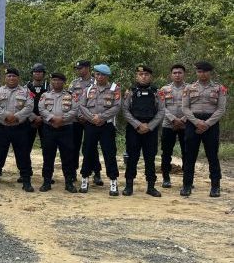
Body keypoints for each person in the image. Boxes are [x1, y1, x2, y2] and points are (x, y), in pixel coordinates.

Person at [180, 61, 227, 198]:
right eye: (199, 71)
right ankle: (187, 186)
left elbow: (221, 109)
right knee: (189, 156)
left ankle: (215, 187)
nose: (202, 74)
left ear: (210, 72)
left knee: (212, 155)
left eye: (205, 71)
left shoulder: (219, 88)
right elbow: (185, 108)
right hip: (192, 123)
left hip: (211, 124)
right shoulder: (188, 88)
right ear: (196, 72)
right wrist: (196, 122)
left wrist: (207, 124)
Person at [0, 67, 35, 192]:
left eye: (14, 76)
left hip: (19, 127)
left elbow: (30, 106)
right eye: (9, 76)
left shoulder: (26, 91)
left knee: (23, 154)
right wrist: (6, 116)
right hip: (2, 127)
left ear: (18, 78)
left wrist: (16, 117)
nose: (11, 78)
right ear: (5, 78)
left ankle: (26, 181)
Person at [78, 64, 121, 196]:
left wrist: (101, 117)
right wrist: (92, 118)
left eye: (102, 74)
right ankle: (85, 178)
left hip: (106, 126)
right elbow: (81, 105)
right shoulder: (88, 88)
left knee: (109, 153)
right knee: (88, 151)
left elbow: (117, 106)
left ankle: (113, 181)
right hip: (91, 125)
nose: (99, 76)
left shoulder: (115, 88)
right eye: (97, 74)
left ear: (107, 76)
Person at [122, 65, 164, 197]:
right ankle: (129, 186)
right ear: (136, 76)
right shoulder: (131, 92)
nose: (143, 76)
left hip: (151, 130)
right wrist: (138, 124)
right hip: (134, 129)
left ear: (151, 76)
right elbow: (125, 110)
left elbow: (161, 111)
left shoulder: (157, 92)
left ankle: (151, 187)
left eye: (146, 74)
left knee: (150, 158)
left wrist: (150, 126)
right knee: (132, 158)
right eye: (141, 74)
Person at [38, 72, 78, 192]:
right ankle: (46, 182)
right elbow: (41, 108)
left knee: (67, 156)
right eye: (54, 80)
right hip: (49, 128)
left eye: (59, 80)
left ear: (63, 82)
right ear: (51, 82)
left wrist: (62, 119)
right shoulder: (45, 95)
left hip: (66, 129)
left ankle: (69, 182)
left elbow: (75, 109)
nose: (56, 82)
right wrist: (52, 118)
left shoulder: (71, 95)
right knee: (48, 156)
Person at [69, 60, 103, 186]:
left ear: (88, 68)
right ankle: (72, 173)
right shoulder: (74, 83)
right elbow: (70, 100)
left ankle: (96, 173)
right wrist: (78, 116)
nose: (78, 70)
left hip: (91, 119)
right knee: (74, 146)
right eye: (77, 68)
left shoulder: (96, 82)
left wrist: (88, 116)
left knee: (91, 147)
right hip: (76, 119)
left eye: (81, 68)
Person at [159, 64, 187, 188]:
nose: (177, 75)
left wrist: (182, 120)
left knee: (187, 152)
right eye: (175, 73)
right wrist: (173, 119)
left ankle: (188, 179)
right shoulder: (164, 89)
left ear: (184, 74)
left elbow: (192, 107)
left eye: (179, 72)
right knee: (166, 152)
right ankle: (166, 177)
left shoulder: (190, 88)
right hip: (168, 125)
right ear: (171, 75)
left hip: (186, 125)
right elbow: (161, 107)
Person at [27, 63, 49, 178]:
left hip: (46, 121)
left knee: (47, 148)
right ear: (32, 74)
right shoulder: (26, 87)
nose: (37, 74)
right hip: (29, 120)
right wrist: (33, 117)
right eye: (35, 72)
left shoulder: (49, 87)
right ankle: (26, 172)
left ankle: (47, 174)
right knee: (26, 147)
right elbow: (23, 105)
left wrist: (42, 117)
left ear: (43, 74)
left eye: (40, 72)